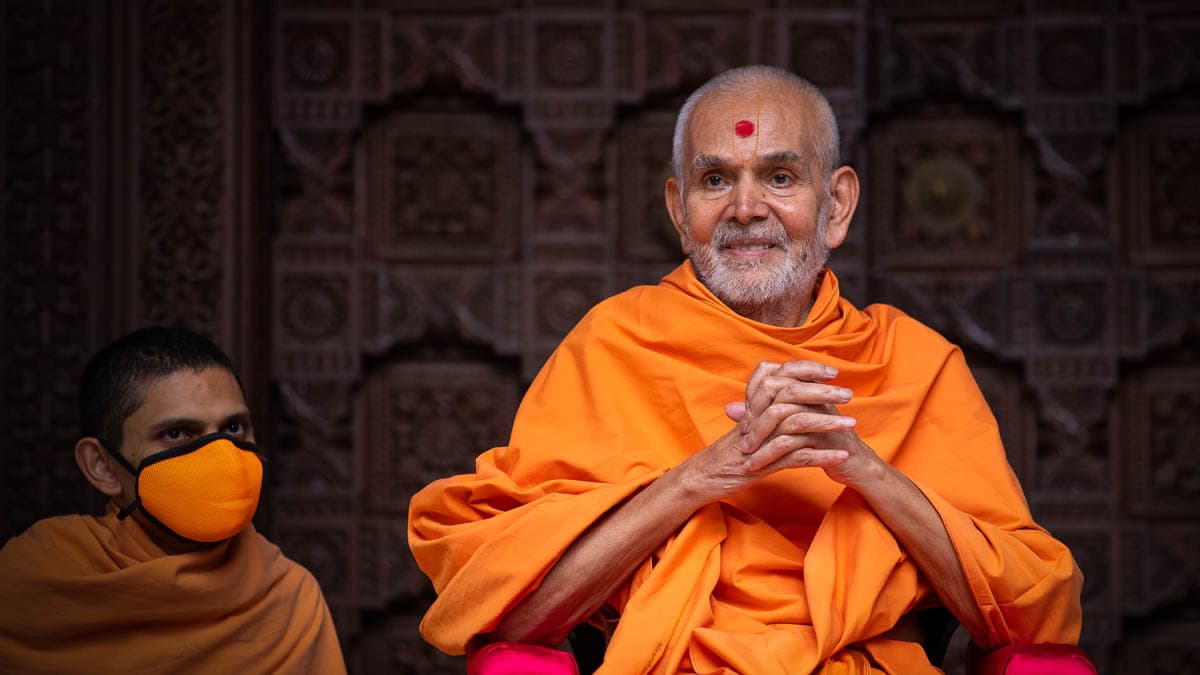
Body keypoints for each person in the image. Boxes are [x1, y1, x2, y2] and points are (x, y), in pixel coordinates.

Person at [408, 65, 1083, 673]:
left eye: (780, 177)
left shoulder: (915, 364)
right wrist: (708, 473)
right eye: (715, 180)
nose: (745, 209)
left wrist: (860, 466)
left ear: (837, 205)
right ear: (679, 211)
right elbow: (514, 618)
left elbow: (1037, 614)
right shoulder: (614, 346)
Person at [0, 326, 346, 674]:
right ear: (102, 467)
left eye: (233, 428)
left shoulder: (287, 598)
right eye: (177, 433)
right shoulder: (33, 582)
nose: (223, 457)